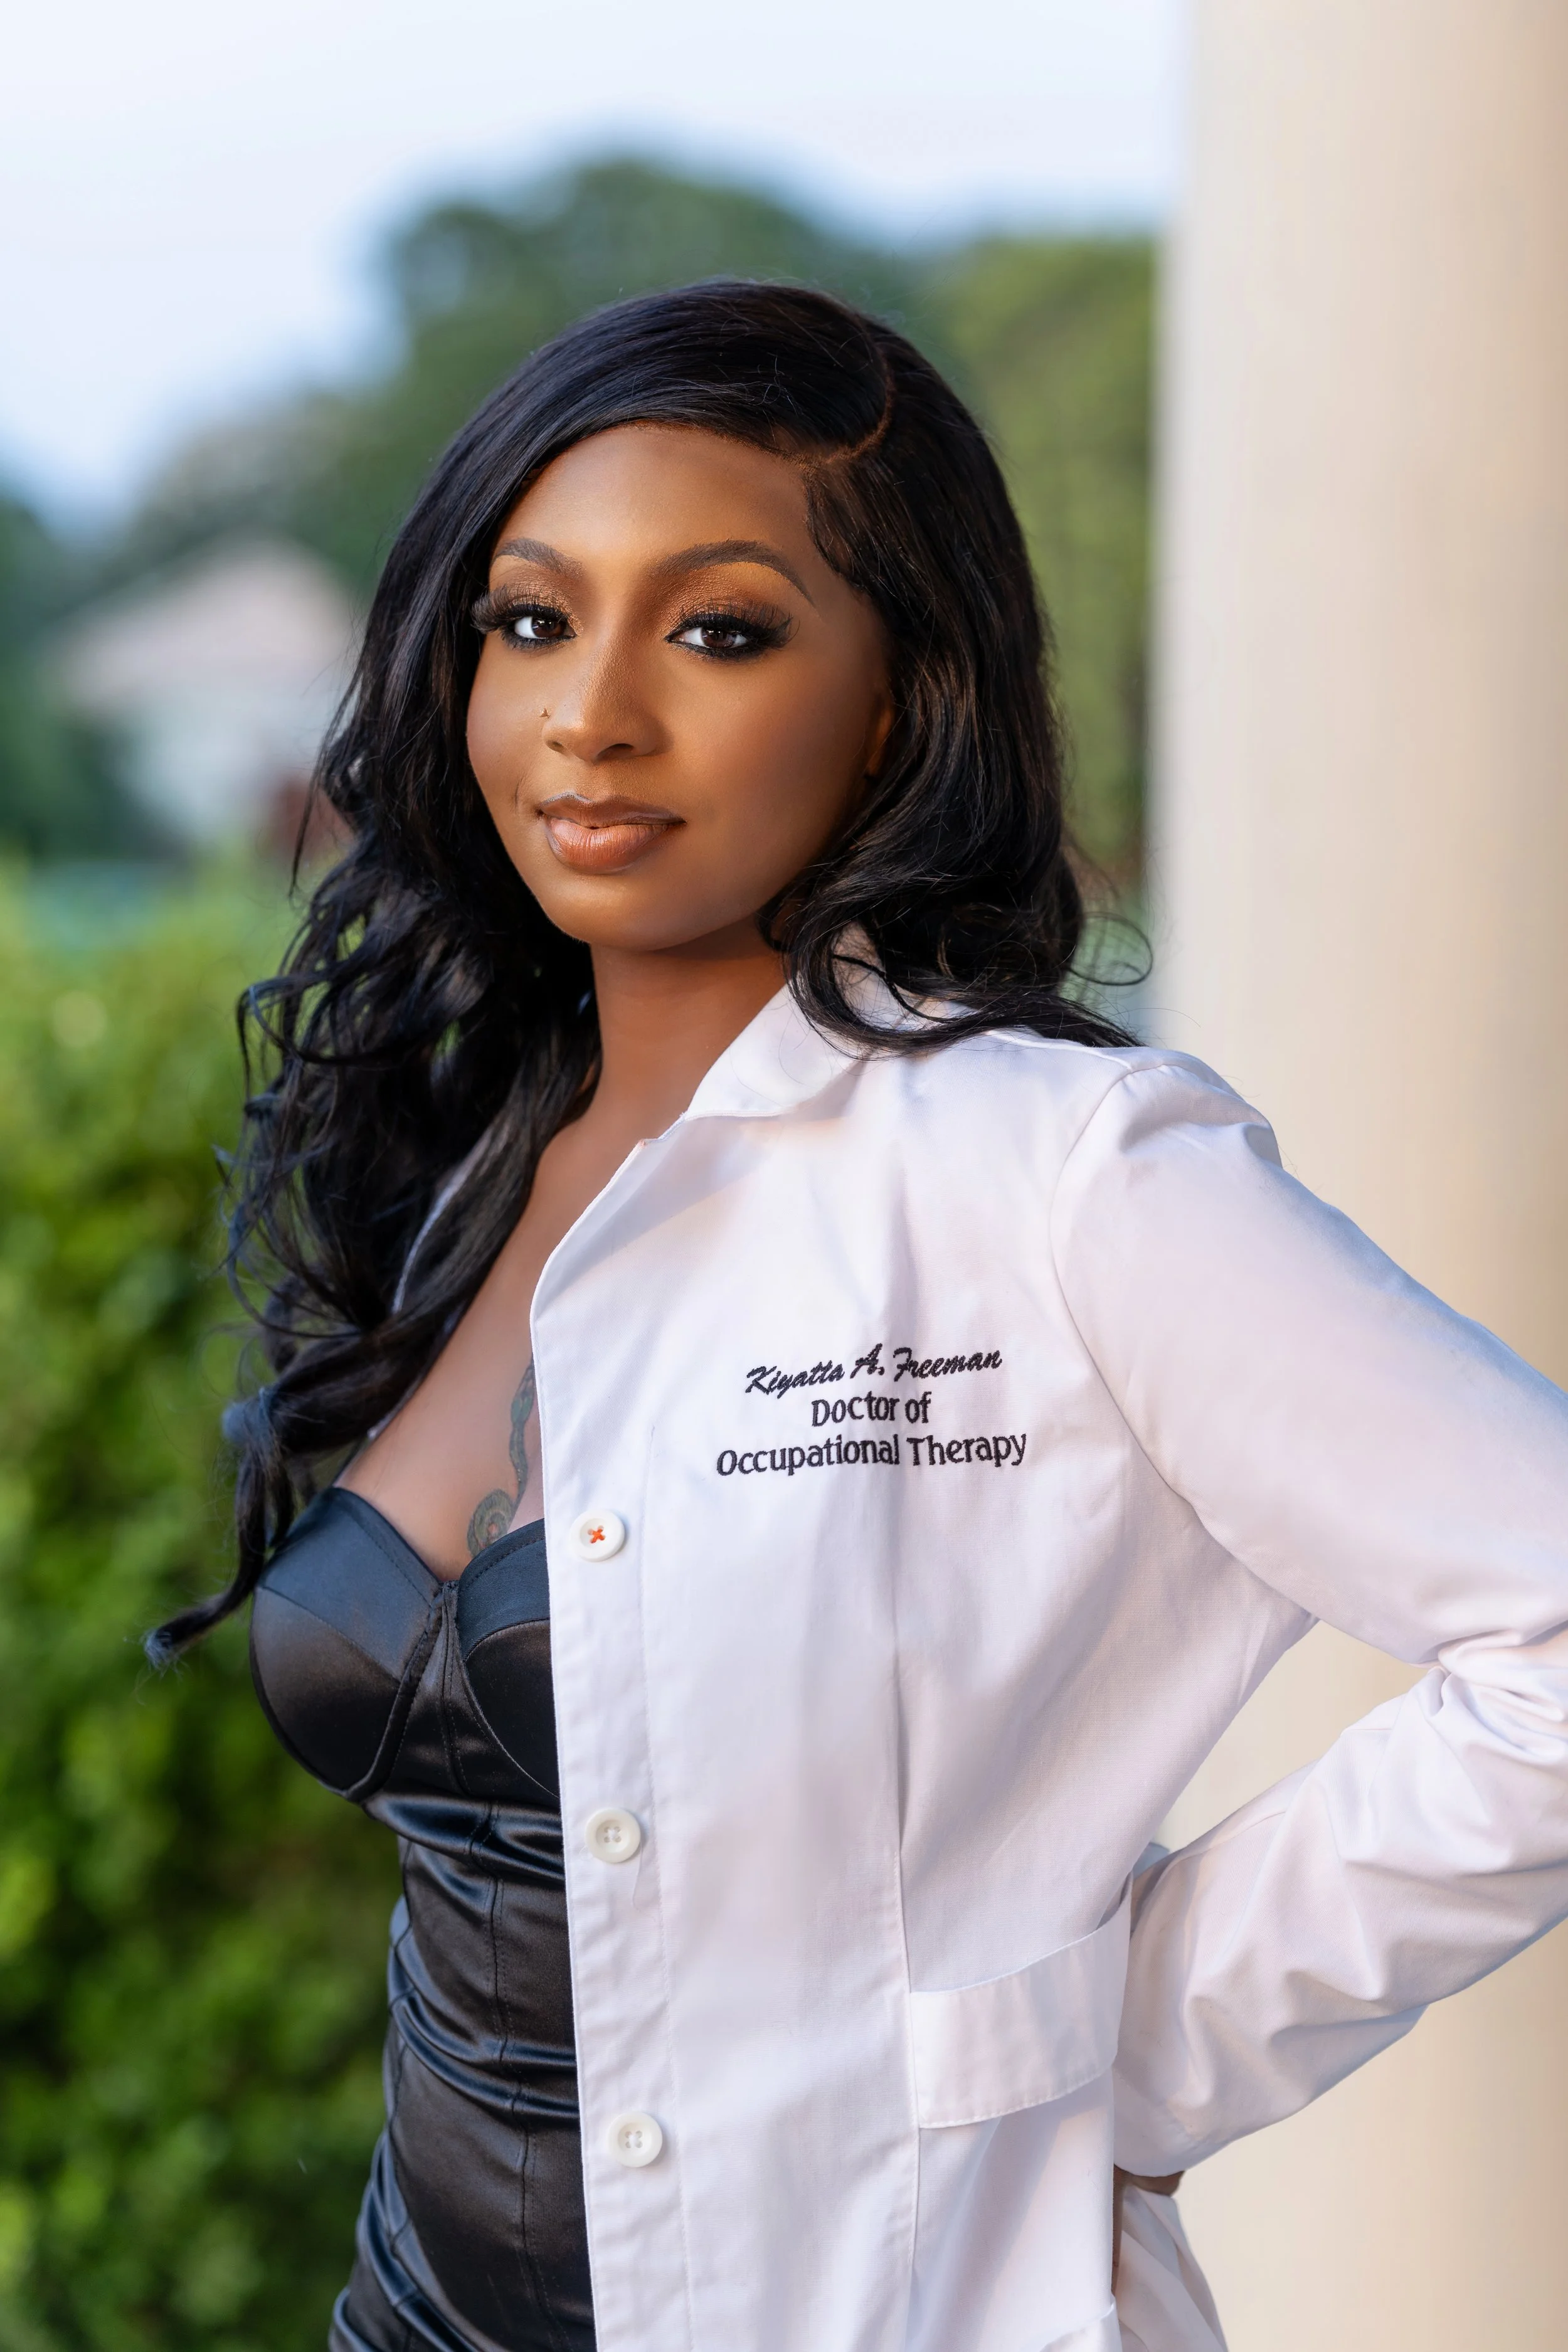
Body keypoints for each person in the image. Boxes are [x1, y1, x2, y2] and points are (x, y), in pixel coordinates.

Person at [151, 281, 1568, 2352]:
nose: (592, 713)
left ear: (898, 696)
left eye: (717, 629)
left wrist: (1124, 2052)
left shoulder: (1064, 1167)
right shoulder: (469, 1168)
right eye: (531, 620)